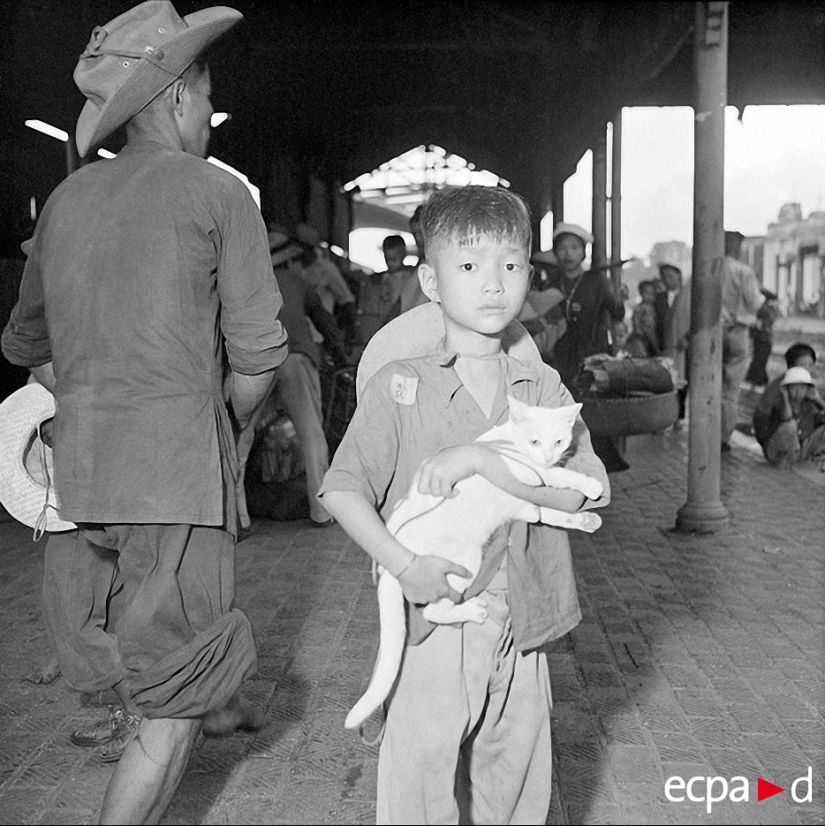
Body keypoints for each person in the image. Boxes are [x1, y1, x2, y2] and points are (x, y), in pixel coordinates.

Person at [1, 3, 288, 822]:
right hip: (173, 478)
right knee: (174, 707)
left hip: (83, 482)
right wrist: (221, 426)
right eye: (206, 98)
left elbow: (29, 345)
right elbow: (260, 354)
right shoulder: (215, 191)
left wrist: (94, 401)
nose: (208, 114)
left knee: (162, 654)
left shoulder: (64, 202)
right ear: (172, 100)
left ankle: (218, 701)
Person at [319, 185, 609, 824]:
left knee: (515, 789)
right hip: (436, 615)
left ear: (529, 276)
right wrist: (402, 565)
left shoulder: (542, 386)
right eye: (469, 266)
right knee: (420, 793)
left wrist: (481, 460)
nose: (493, 285)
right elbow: (341, 489)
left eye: (510, 266)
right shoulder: (403, 385)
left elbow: (582, 488)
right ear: (429, 280)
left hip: (525, 618)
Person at [235, 231, 347, 531]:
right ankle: (321, 511)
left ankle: (238, 516)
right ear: (292, 260)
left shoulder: (250, 282)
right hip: (296, 357)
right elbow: (323, 320)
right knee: (310, 434)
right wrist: (341, 354)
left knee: (242, 436)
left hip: (257, 360)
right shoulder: (296, 281)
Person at [544, 223, 626, 388]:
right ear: (555, 253)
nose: (569, 254)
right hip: (560, 359)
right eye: (562, 248)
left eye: (574, 248)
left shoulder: (597, 282)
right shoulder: (550, 285)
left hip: (593, 354)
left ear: (583, 253)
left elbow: (618, 314)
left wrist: (619, 296)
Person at [720, 230, 764, 452]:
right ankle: (723, 438)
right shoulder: (743, 271)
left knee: (713, 386)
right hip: (738, 333)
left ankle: (708, 431)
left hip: (715, 333)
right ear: (737, 247)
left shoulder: (711, 270)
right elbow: (755, 303)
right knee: (730, 391)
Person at [354, 234, 422, 346]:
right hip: (380, 326)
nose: (391, 264)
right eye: (388, 259)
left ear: (404, 254)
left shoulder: (413, 276)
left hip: (404, 326)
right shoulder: (376, 280)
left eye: (394, 259)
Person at [751, 366, 825, 468]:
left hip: (798, 451)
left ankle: (812, 458)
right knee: (790, 426)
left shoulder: (809, 406)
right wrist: (785, 397)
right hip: (777, 452)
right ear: (786, 389)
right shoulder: (780, 404)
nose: (798, 391)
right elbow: (787, 419)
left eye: (802, 388)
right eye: (794, 387)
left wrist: (819, 400)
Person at [745, 288, 781, 388]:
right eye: (774, 300)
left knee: (760, 358)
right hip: (763, 338)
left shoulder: (768, 309)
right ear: (769, 300)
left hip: (764, 337)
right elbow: (759, 325)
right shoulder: (765, 310)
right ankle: (757, 379)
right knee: (760, 358)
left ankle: (758, 379)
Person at [631, 279, 662, 356]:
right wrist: (637, 329)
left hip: (652, 329)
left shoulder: (654, 307)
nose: (649, 296)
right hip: (644, 331)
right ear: (641, 293)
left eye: (651, 294)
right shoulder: (640, 307)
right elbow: (635, 319)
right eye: (646, 293)